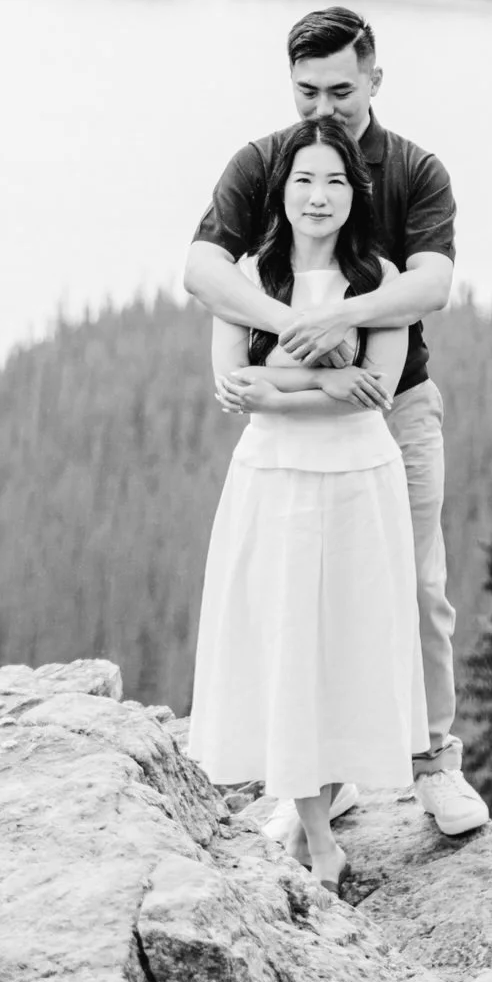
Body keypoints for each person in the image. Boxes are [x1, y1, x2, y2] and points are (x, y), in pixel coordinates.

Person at [184, 4, 490, 838]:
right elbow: (204, 269)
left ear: (375, 80)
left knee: (416, 585)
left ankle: (431, 763)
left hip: (395, 409)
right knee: (299, 599)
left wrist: (348, 318)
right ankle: (316, 777)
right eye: (307, 91)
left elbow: (430, 285)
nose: (324, 110)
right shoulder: (266, 162)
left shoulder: (415, 171)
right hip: (292, 430)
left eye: (342, 90)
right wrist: (296, 328)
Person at [187, 116, 425, 887]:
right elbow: (236, 386)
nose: (317, 197)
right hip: (276, 480)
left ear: (356, 194)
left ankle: (320, 808)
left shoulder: (380, 281)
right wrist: (326, 381)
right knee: (286, 642)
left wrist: (285, 385)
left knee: (342, 647)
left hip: (360, 480)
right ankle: (320, 839)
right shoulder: (249, 277)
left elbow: (379, 392)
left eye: (333, 182)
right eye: (302, 181)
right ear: (280, 192)